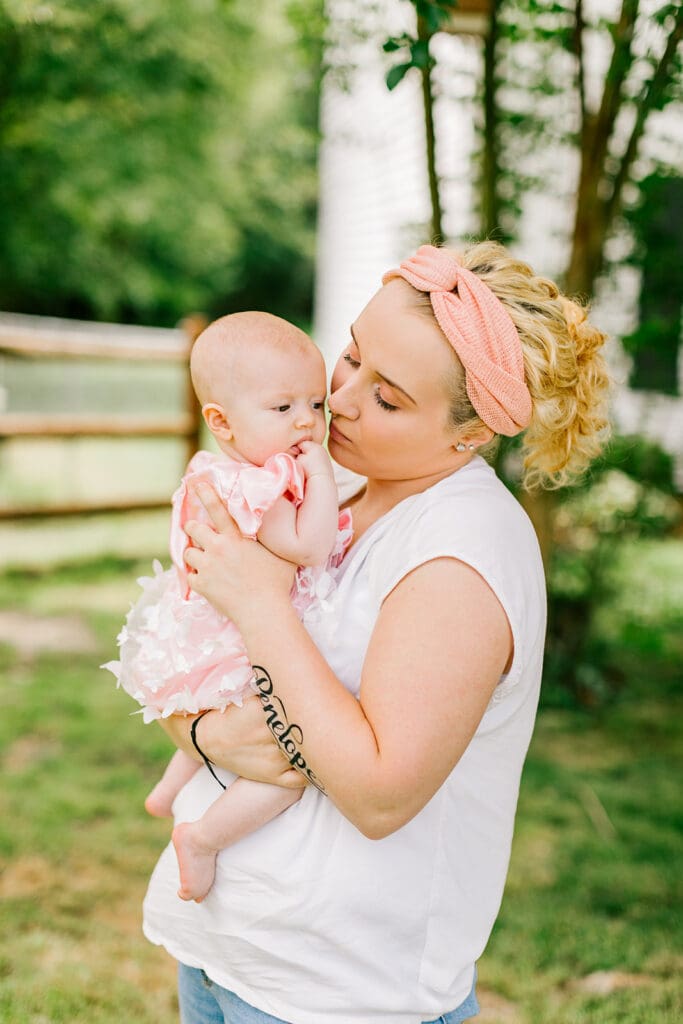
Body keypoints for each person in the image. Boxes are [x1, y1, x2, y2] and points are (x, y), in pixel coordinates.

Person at [142, 242, 609, 1024]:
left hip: (341, 989)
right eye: (350, 357)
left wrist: (259, 604)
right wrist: (199, 731)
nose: (342, 402)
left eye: (388, 398)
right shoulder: (335, 487)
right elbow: (199, 653)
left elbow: (380, 793)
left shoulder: (458, 551)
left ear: (471, 433)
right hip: (232, 951)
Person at [104, 311, 348, 903]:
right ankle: (205, 838)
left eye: (315, 404)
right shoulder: (253, 488)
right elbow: (308, 545)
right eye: (283, 407)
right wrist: (322, 479)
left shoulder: (214, 471)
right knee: (289, 772)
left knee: (209, 720)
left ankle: (169, 788)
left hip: (204, 637)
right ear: (222, 421)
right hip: (234, 644)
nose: (307, 424)